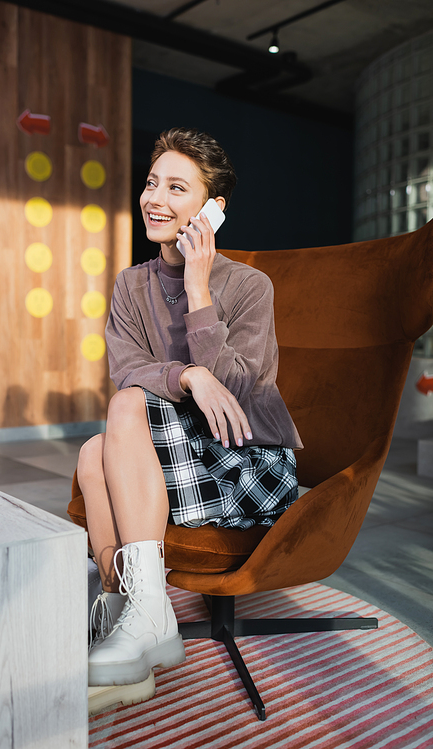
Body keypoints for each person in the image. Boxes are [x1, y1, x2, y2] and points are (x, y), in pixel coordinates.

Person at [76, 127, 303, 692]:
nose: (155, 199)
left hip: (245, 463)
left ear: (212, 209)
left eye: (177, 188)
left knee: (122, 414)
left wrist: (200, 292)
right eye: (153, 183)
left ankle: (142, 612)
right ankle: (122, 602)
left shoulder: (250, 286)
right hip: (174, 463)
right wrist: (188, 375)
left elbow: (240, 393)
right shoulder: (131, 286)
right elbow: (126, 369)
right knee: (94, 447)